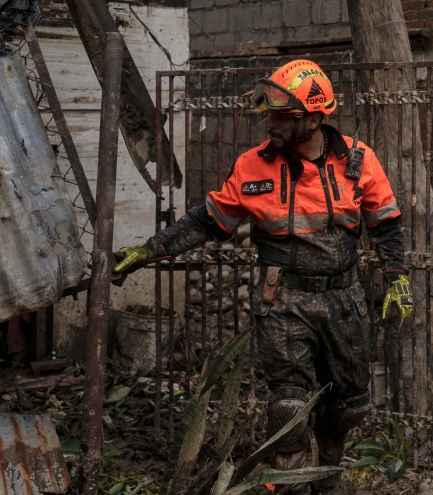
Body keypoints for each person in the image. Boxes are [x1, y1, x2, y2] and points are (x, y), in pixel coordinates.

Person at [114, 59, 413, 488]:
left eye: (281, 116)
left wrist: (398, 277)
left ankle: (326, 479)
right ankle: (289, 482)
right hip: (283, 302)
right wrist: (149, 250)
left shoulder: (359, 162)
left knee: (348, 406)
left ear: (312, 118)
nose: (269, 123)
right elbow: (207, 222)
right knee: (287, 408)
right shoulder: (252, 165)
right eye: (268, 113)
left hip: (342, 300)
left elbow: (386, 224)